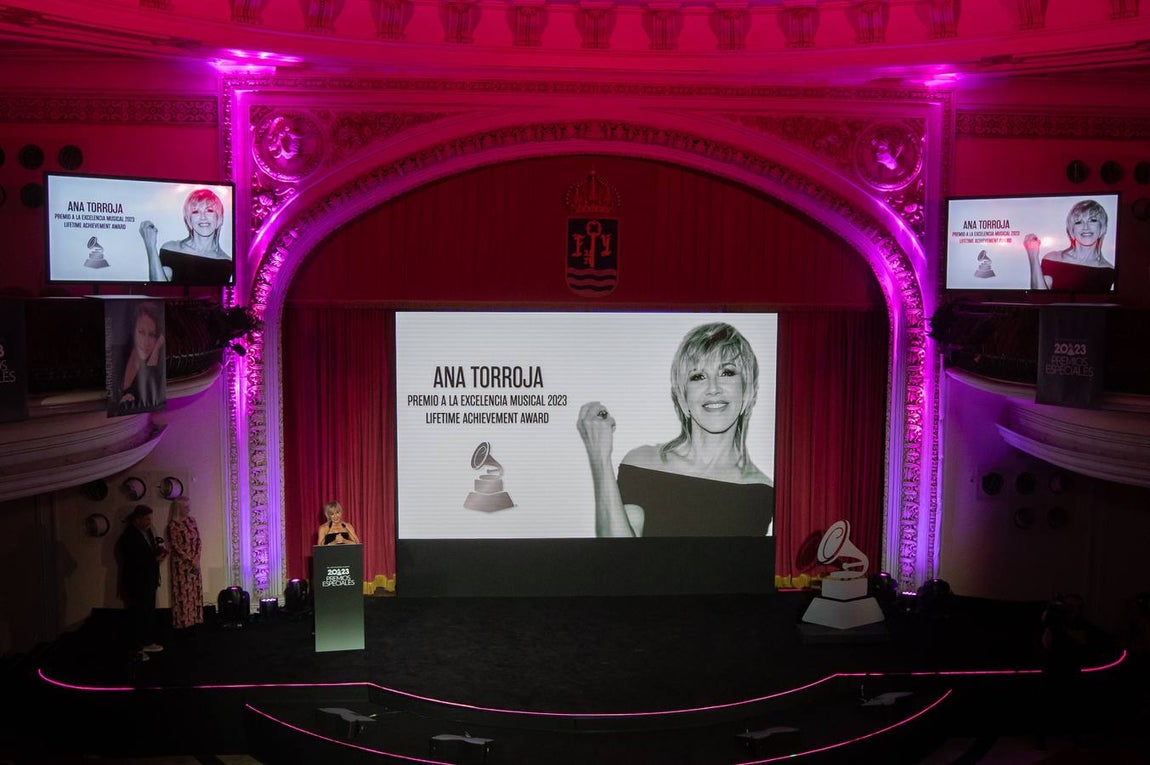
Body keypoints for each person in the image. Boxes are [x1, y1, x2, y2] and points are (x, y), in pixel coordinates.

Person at [577, 321, 773, 537]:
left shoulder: (760, 490)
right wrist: (600, 458)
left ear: (748, 389)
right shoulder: (642, 462)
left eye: (726, 372)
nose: (713, 388)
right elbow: (618, 560)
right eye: (698, 376)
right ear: (682, 396)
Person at [139, 188, 232, 285]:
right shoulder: (171, 249)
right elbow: (159, 289)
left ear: (220, 219)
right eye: (195, 212)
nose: (203, 217)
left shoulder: (226, 262)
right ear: (188, 220)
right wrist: (150, 246)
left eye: (209, 210)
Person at [1024, 199, 1115, 292]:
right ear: (1071, 231)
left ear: (1102, 228)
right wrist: (1033, 256)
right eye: (1078, 222)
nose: (1085, 227)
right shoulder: (1052, 258)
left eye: (1093, 220)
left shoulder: (1107, 270)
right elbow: (1040, 299)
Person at [116, 504, 168, 662]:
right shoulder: (128, 536)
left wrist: (159, 553)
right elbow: (133, 561)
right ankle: (136, 648)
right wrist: (154, 560)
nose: (149, 522)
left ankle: (146, 642)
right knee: (138, 614)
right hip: (137, 582)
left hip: (150, 580)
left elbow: (149, 553)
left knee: (148, 612)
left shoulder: (148, 532)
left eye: (150, 518)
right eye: (146, 518)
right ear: (137, 519)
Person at [165, 497, 203, 631]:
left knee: (194, 591)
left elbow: (198, 540)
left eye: (188, 506)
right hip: (181, 565)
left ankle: (195, 619)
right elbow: (175, 546)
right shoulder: (173, 525)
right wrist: (189, 559)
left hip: (194, 563)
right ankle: (183, 622)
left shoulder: (192, 521)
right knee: (183, 593)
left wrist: (196, 557)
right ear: (179, 508)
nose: (188, 509)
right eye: (185, 507)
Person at [119, 300, 164, 411]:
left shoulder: (156, 370)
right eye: (141, 332)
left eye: (152, 335)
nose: (146, 342)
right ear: (133, 331)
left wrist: (156, 349)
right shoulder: (118, 354)